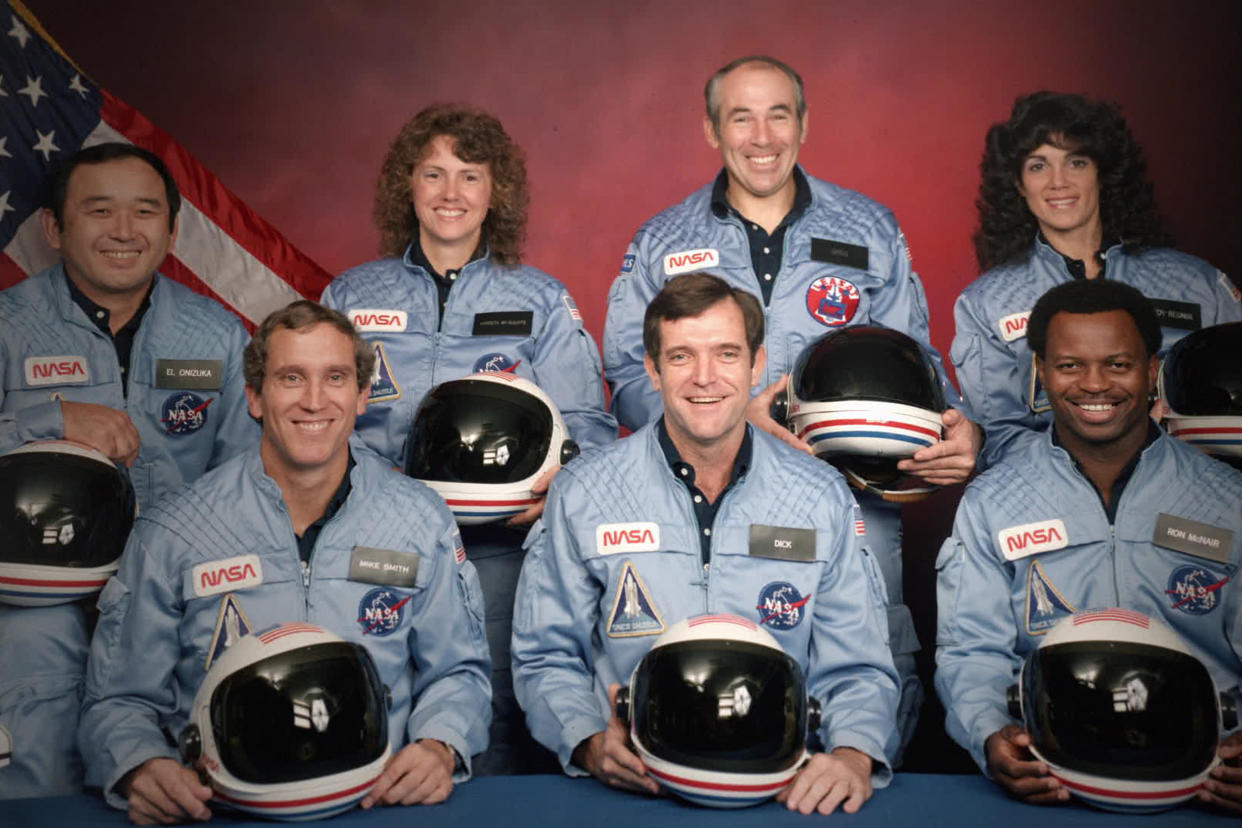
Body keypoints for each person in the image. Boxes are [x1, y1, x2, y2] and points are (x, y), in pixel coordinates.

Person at [601, 56, 978, 756]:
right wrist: (728, 414)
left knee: (864, 688)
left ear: (804, 124)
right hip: (699, 502)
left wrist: (959, 431)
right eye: (740, 116)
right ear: (712, 130)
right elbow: (628, 375)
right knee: (719, 692)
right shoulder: (662, 243)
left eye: (779, 114)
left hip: (851, 502)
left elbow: (920, 366)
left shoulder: (869, 228)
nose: (762, 135)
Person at [79, 302, 491, 823]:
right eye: (291, 377)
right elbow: (117, 699)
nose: (314, 401)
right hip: (224, 811)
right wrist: (139, 764)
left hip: (376, 806)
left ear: (363, 395)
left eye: (335, 377)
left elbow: (458, 672)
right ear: (254, 396)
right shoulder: (176, 530)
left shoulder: (419, 520)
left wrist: (440, 744)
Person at [514, 274, 899, 816]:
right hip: (633, 790)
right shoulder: (584, 491)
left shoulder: (819, 495)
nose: (704, 378)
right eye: (680, 357)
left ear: (756, 364)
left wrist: (854, 755)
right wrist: (587, 740)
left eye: (725, 354)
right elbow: (546, 654)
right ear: (651, 368)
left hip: (783, 793)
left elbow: (858, 667)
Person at [322, 104, 615, 775]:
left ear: (496, 193)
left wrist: (558, 490)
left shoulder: (540, 300)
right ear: (408, 187)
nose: (451, 193)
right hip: (377, 541)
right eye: (433, 174)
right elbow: (314, 414)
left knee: (497, 716)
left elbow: (589, 428)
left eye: (470, 176)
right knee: (374, 707)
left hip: (499, 552)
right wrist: (371, 490)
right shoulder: (351, 295)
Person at [0, 143, 255, 799]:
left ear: (171, 231)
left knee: (182, 792)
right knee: (42, 792)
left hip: (174, 607)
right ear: (55, 229)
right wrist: (47, 420)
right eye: (99, 210)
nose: (123, 231)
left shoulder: (216, 336)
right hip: (35, 606)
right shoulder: (8, 328)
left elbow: (247, 481)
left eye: (144, 212)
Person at [935, 279, 1242, 811]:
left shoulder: (1227, 499)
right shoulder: (993, 502)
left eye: (1118, 364)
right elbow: (971, 650)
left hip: (1204, 780)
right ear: (1040, 373)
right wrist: (989, 736)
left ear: (1152, 371)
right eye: (1070, 365)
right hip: (1053, 778)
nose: (1094, 385)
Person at [953, 91, 1242, 470]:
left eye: (1076, 162)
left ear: (1102, 172)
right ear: (1019, 184)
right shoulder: (987, 303)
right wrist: (1097, 459)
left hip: (1190, 491)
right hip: (1058, 502)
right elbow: (999, 438)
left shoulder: (1196, 283)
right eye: (1038, 166)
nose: (1058, 182)